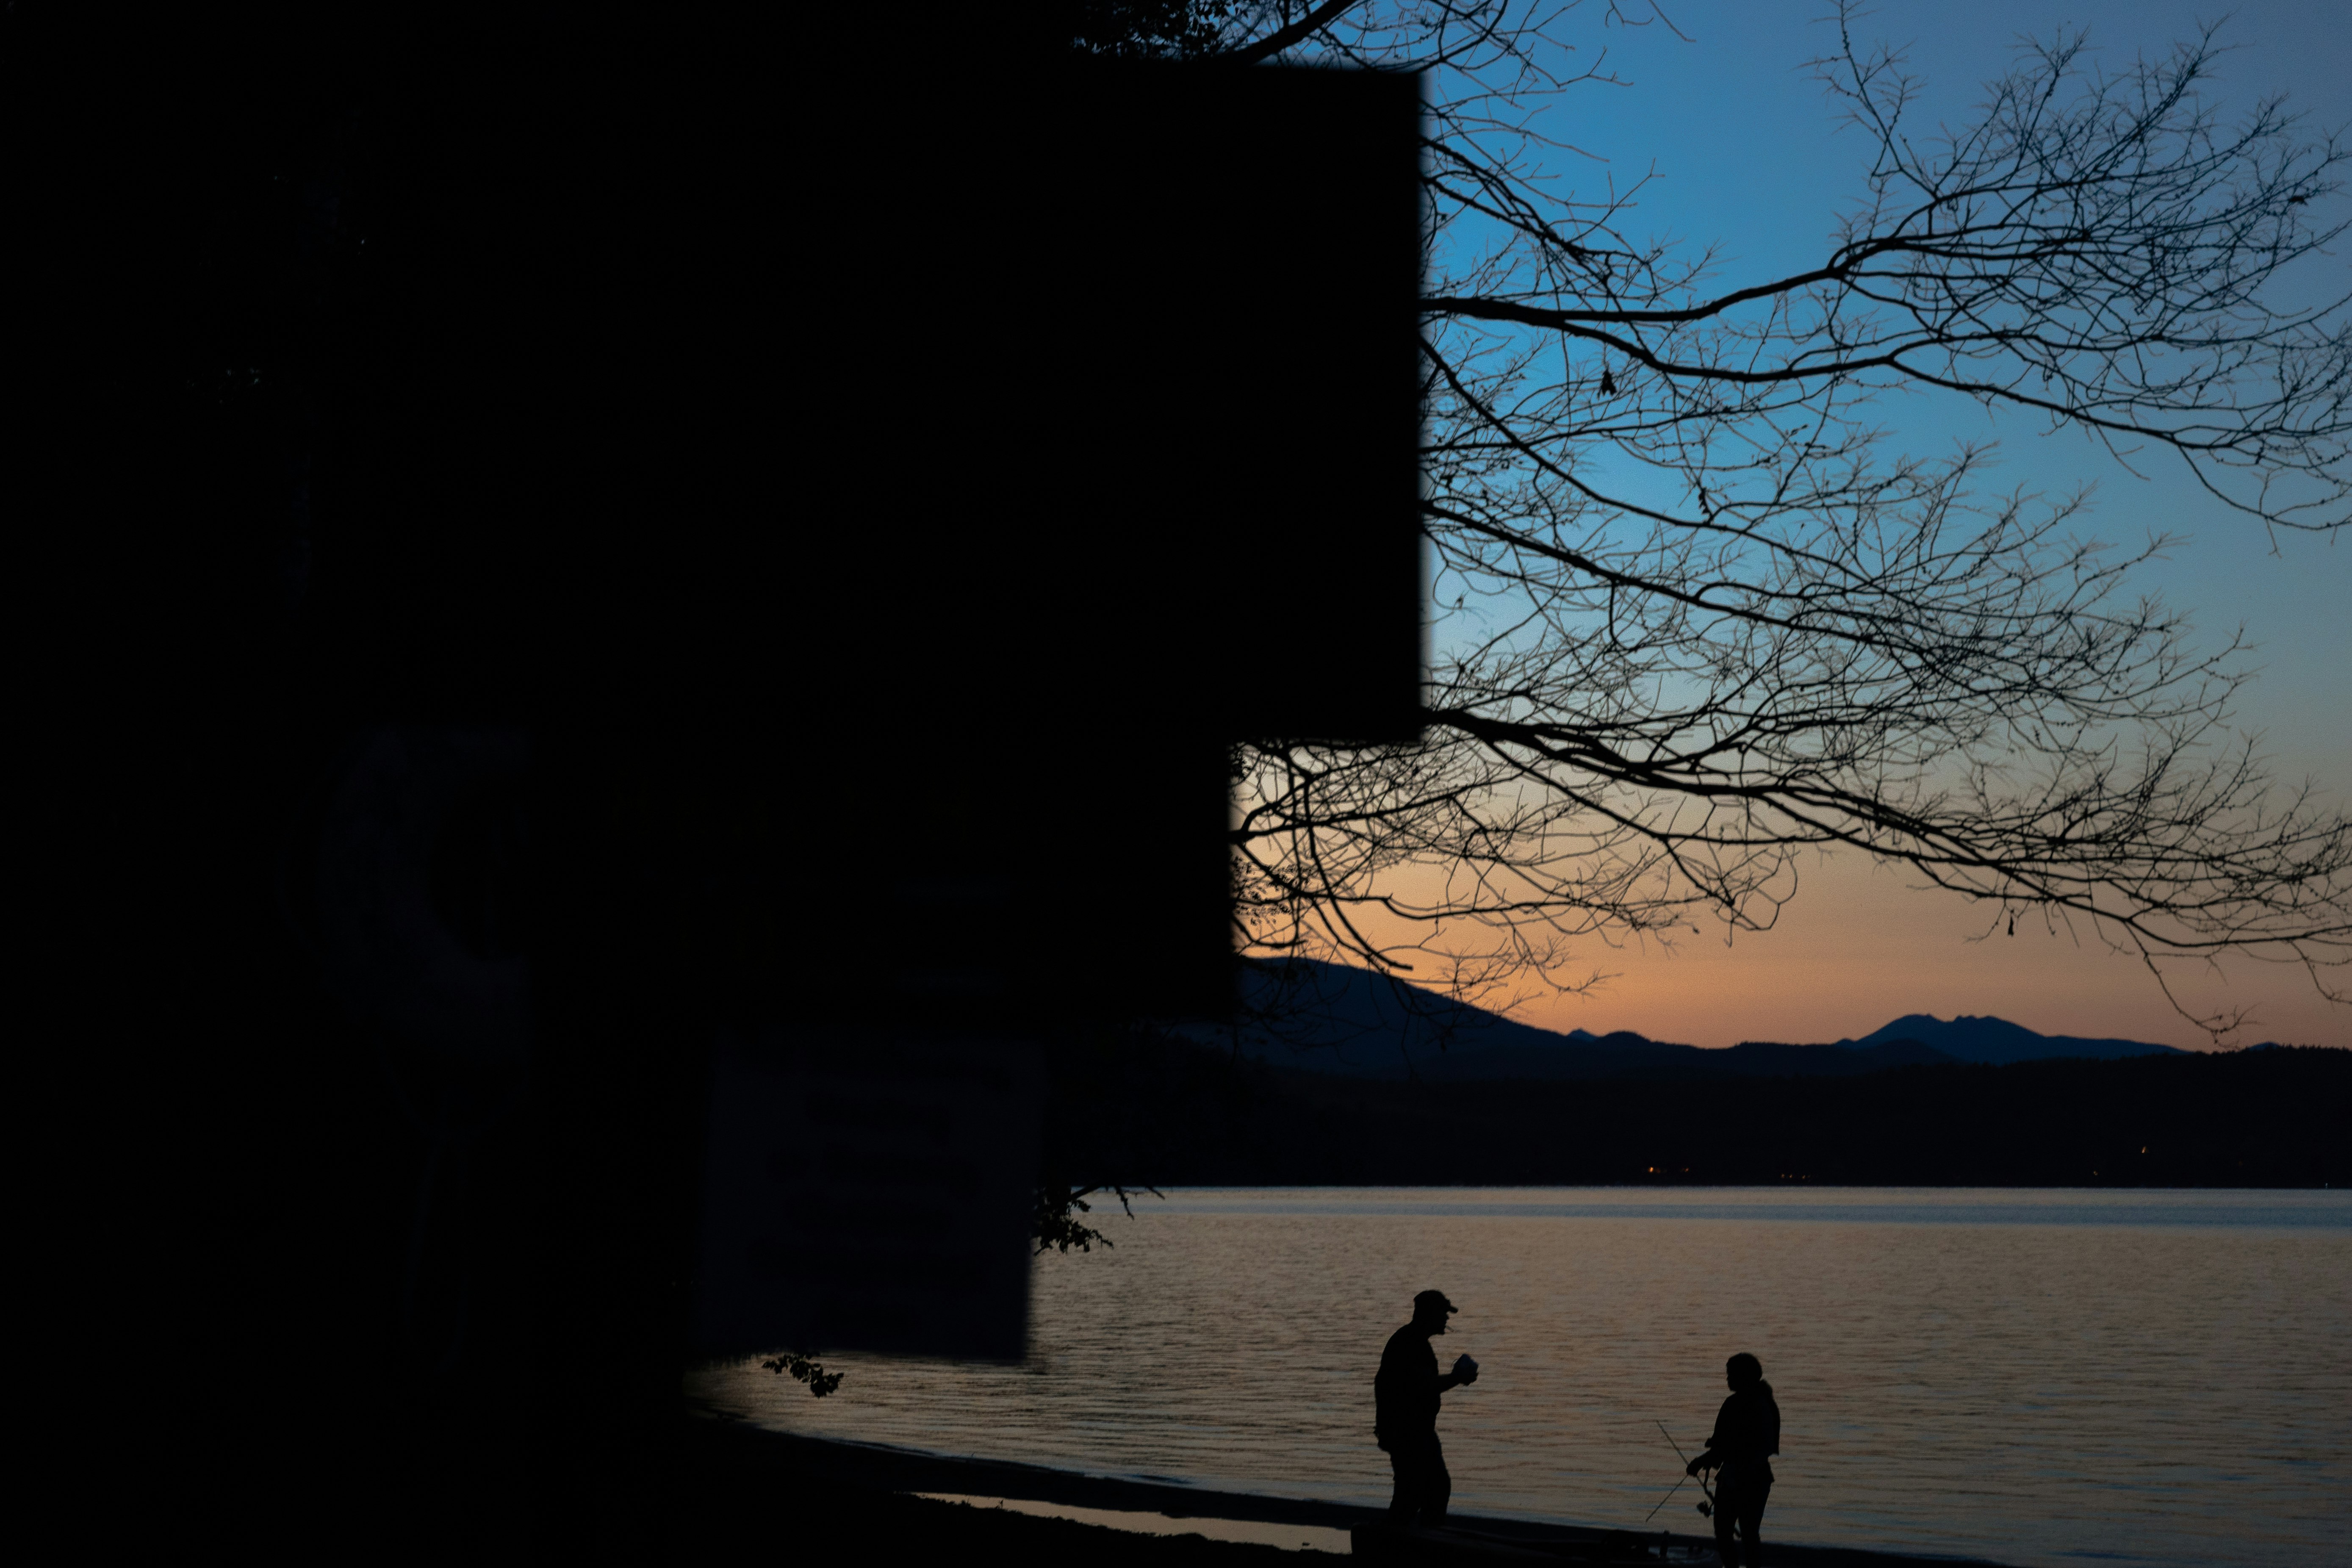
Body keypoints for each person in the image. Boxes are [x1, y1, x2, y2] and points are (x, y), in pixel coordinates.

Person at [1374, 1289, 1479, 1526]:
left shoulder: (1410, 1340)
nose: (1447, 1319)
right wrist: (1457, 1378)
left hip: (1416, 1430)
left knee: (1430, 1489)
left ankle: (1418, 1537)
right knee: (1415, 1492)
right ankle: (1407, 1541)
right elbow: (1423, 1386)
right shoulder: (1413, 1344)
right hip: (1409, 1432)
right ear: (1430, 1314)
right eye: (1443, 1313)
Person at [1686, 1352, 1780, 1568]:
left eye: (1730, 1374)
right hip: (1757, 1478)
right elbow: (1729, 1447)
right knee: (1747, 1534)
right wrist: (1709, 1459)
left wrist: (1701, 1462)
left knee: (1727, 1533)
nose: (1727, 1379)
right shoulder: (1765, 1402)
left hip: (1742, 1479)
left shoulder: (1740, 1404)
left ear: (1743, 1376)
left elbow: (1725, 1447)